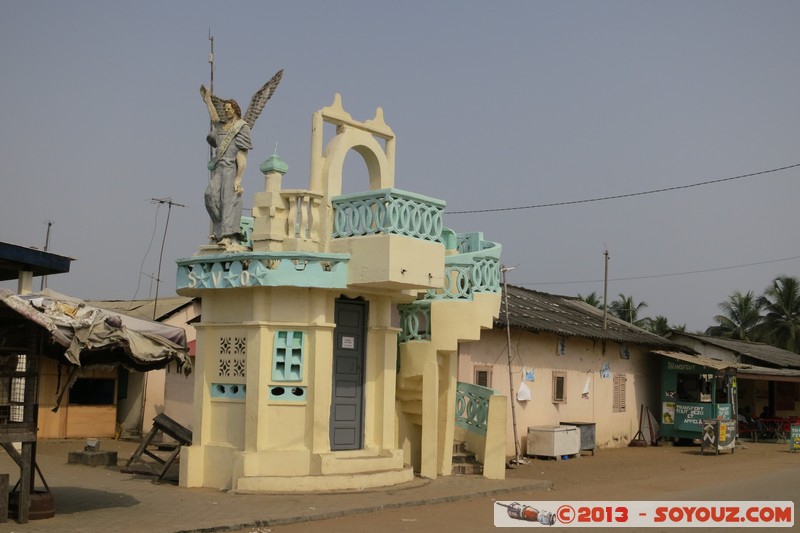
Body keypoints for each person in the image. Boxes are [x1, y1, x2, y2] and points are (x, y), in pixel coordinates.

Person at [201, 85, 253, 250]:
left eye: (229, 109)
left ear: (235, 110)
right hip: (219, 169)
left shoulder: (241, 128)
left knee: (228, 201)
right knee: (210, 196)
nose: (227, 111)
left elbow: (242, 156)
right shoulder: (221, 127)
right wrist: (207, 100)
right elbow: (214, 117)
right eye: (225, 109)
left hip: (231, 169)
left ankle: (227, 235)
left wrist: (239, 177)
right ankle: (219, 229)